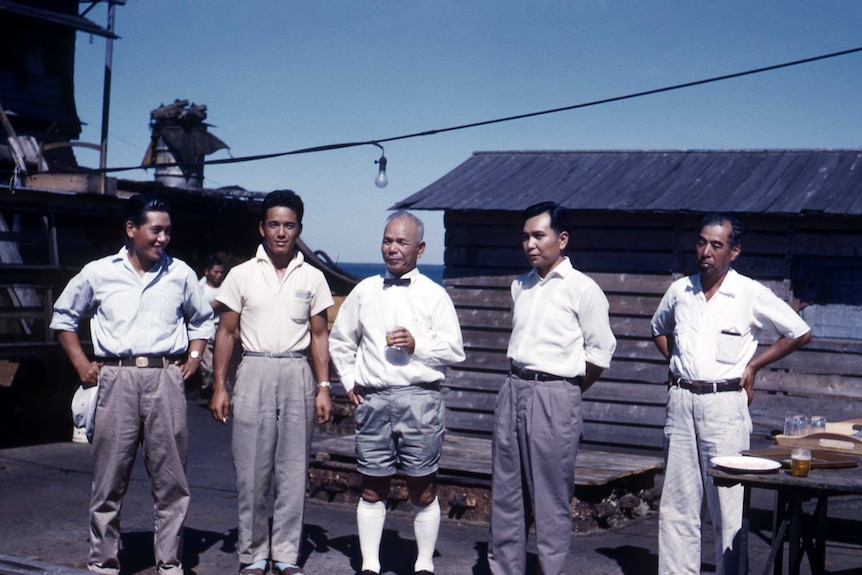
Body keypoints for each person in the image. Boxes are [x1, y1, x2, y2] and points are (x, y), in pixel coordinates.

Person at [50, 194, 213, 575]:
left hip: (164, 379)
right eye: (155, 230)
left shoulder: (181, 274)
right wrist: (80, 363)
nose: (163, 238)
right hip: (116, 378)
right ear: (131, 229)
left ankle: (169, 564)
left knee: (172, 481)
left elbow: (202, 321)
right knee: (109, 480)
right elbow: (63, 317)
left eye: (167, 231)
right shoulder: (98, 273)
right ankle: (103, 564)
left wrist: (192, 358)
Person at [650, 213, 812, 575]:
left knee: (728, 505)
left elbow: (799, 332)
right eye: (701, 242)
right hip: (680, 404)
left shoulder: (749, 293)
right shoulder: (681, 290)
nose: (706, 251)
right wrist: (675, 363)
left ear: (734, 251)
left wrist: (753, 366)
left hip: (724, 406)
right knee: (677, 505)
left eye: (716, 245)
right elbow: (658, 328)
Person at [329, 210, 465, 575]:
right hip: (374, 399)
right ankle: (370, 565)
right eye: (387, 240)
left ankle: (423, 564)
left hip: (420, 399)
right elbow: (341, 341)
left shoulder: (435, 296)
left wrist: (418, 344)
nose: (392, 248)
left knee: (422, 486)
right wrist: (348, 380)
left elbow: (455, 350)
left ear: (420, 248)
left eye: (401, 242)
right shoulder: (364, 291)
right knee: (372, 486)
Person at [487, 201, 617, 575]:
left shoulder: (583, 289)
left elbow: (601, 351)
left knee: (550, 501)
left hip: (556, 396)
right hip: (513, 390)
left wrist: (566, 391)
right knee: (507, 498)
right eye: (525, 237)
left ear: (562, 239)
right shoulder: (521, 285)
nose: (530, 244)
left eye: (538, 236)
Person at [209, 189, 334, 575]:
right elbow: (226, 333)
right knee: (251, 470)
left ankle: (285, 553)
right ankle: (253, 553)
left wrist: (324, 387)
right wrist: (219, 385)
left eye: (289, 225)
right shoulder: (241, 275)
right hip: (255, 369)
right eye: (274, 224)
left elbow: (319, 335)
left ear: (299, 229)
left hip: (297, 372)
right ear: (262, 228)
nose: (281, 232)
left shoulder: (312, 277)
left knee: (294, 470)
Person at [198, 254, 227, 395]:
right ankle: (207, 387)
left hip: (221, 328)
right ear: (207, 272)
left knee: (221, 362)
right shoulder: (200, 287)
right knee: (207, 365)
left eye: (221, 272)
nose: (219, 275)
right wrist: (218, 302)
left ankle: (220, 388)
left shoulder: (226, 287)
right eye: (216, 272)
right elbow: (200, 311)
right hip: (206, 328)